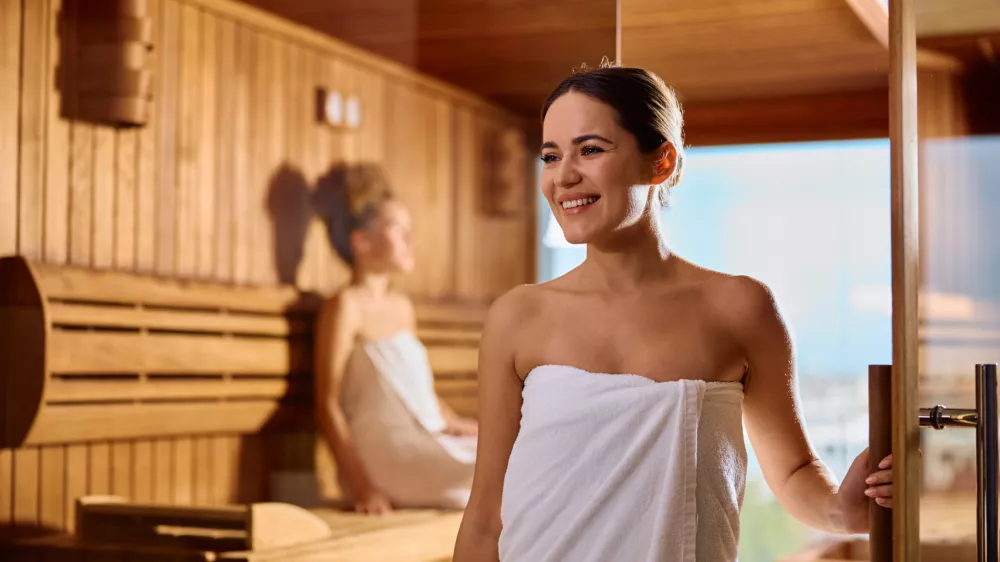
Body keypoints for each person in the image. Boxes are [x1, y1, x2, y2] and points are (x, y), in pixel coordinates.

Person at [453, 64, 894, 561]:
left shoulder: (738, 307)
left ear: (661, 162)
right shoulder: (518, 317)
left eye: (591, 149)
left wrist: (845, 511)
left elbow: (793, 473)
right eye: (551, 155)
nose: (564, 175)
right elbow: (487, 515)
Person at [313, 163, 478, 515]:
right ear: (362, 241)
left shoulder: (402, 308)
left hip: (423, 441)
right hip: (383, 457)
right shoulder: (345, 307)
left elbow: (417, 390)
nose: (410, 242)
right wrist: (361, 486)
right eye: (398, 231)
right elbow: (327, 404)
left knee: (515, 449)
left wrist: (452, 422)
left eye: (410, 231)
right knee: (510, 462)